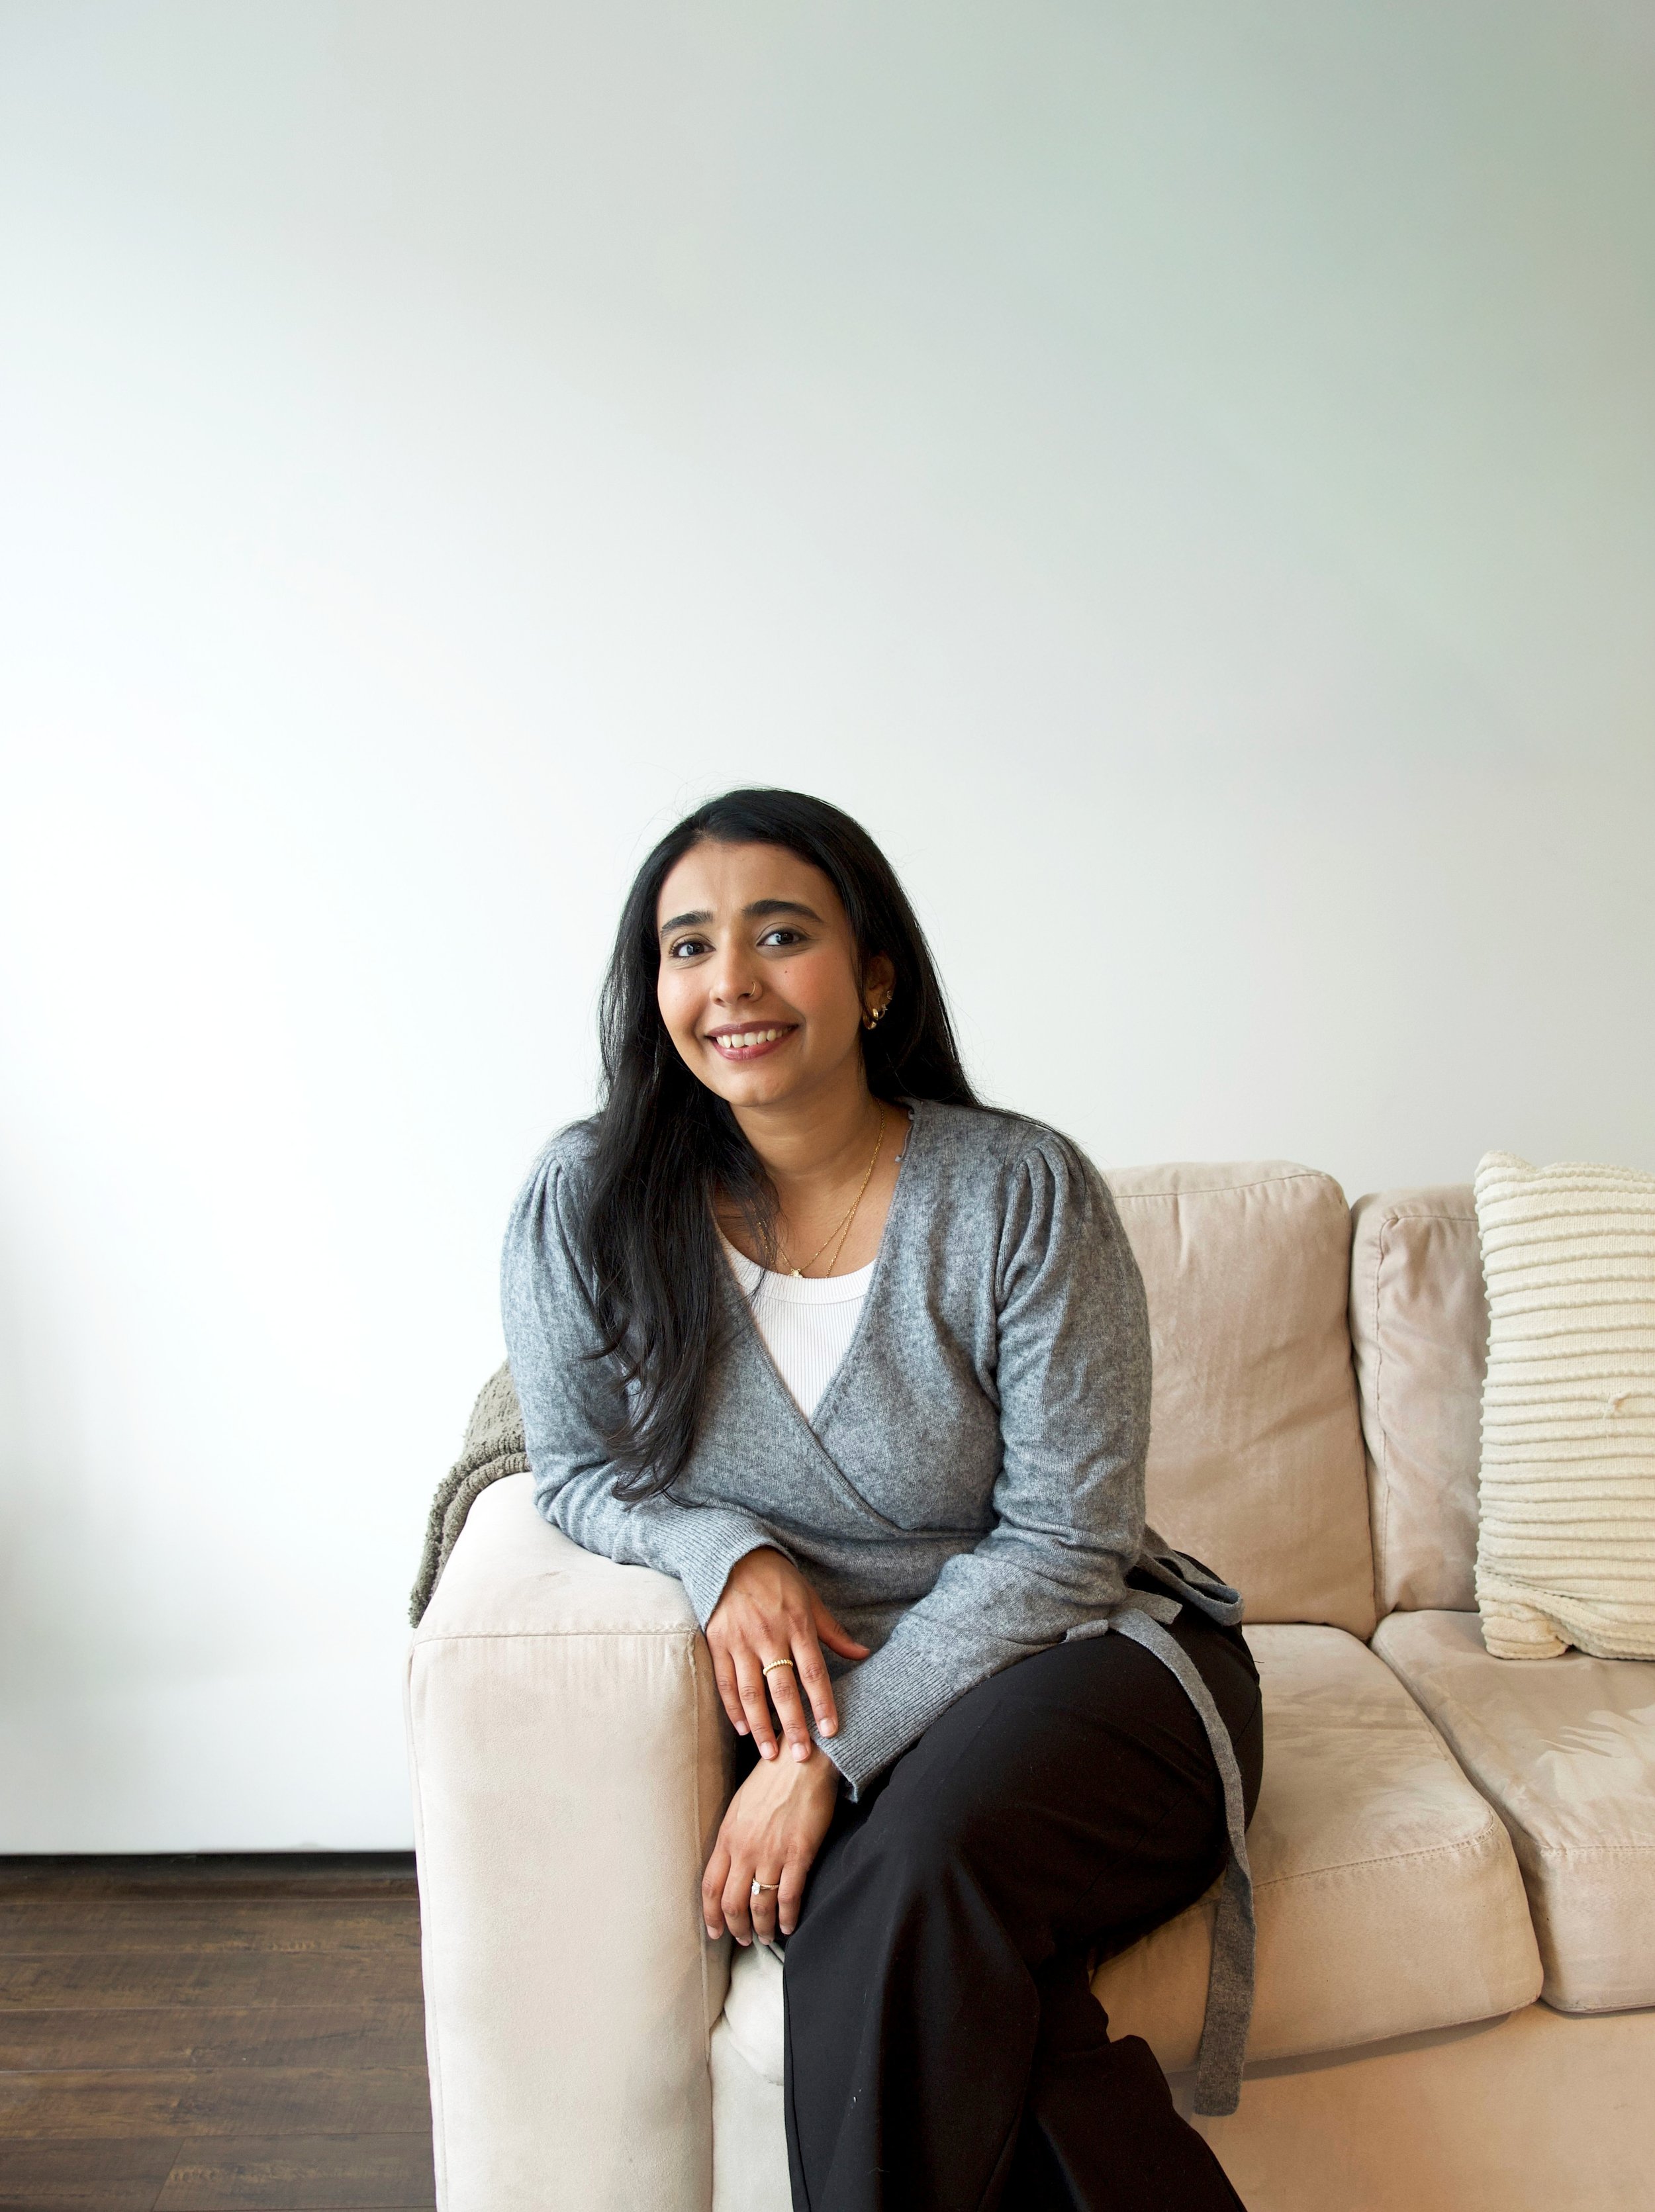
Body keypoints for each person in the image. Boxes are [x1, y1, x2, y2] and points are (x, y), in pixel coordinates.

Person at [502, 788, 1262, 2212]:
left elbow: (1066, 1546)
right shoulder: (587, 1202)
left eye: (777, 935)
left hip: (1091, 1669)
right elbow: (576, 1470)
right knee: (951, 1958)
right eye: (685, 946)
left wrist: (820, 1760)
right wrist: (720, 1550)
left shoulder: (1017, 1190)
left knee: (891, 1870)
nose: (727, 979)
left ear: (872, 978)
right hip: (852, 1707)